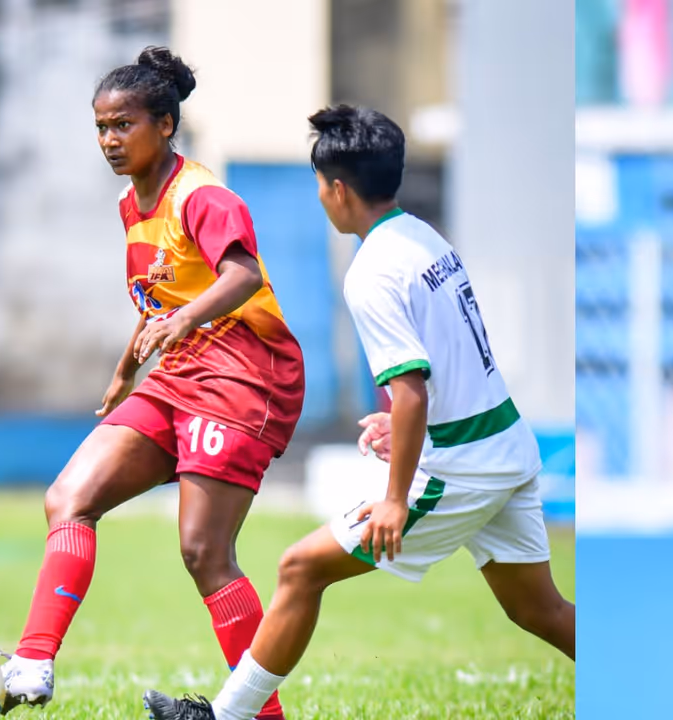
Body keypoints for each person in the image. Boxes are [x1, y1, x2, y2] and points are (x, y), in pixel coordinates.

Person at [140, 104, 574, 720]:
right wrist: (398, 424)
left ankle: (228, 717)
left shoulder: (370, 271)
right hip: (505, 442)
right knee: (539, 610)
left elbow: (415, 390)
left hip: (459, 466)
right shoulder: (425, 237)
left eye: (320, 183)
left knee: (299, 568)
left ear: (338, 189)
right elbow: (450, 363)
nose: (319, 195)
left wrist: (396, 498)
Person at [0, 47, 304, 720]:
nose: (110, 140)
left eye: (124, 125)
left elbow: (243, 276)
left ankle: (265, 715)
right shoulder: (131, 205)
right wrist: (124, 370)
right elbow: (159, 300)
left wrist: (184, 322)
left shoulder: (204, 196)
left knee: (203, 552)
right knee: (68, 497)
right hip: (179, 376)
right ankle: (33, 661)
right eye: (102, 127)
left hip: (244, 375)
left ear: (165, 125)